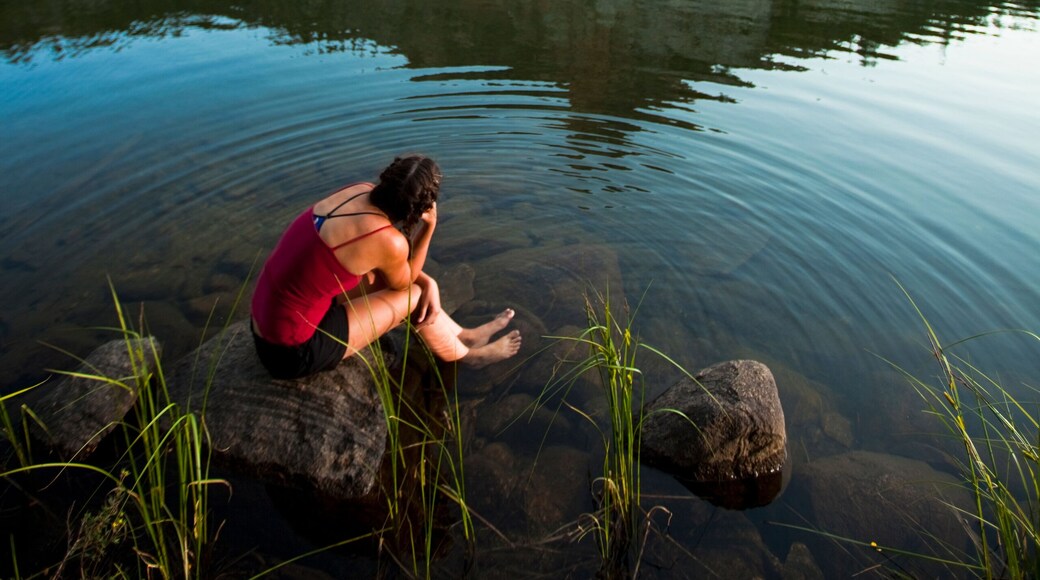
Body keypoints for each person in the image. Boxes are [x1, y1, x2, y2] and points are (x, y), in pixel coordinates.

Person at [250, 154, 522, 380]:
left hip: (265, 324)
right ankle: (471, 357)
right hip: (291, 351)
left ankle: (465, 335)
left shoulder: (356, 191)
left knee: (408, 284)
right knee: (413, 298)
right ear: (422, 207)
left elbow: (391, 267)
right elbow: (404, 283)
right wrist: (429, 228)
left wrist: (430, 282)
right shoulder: (386, 241)